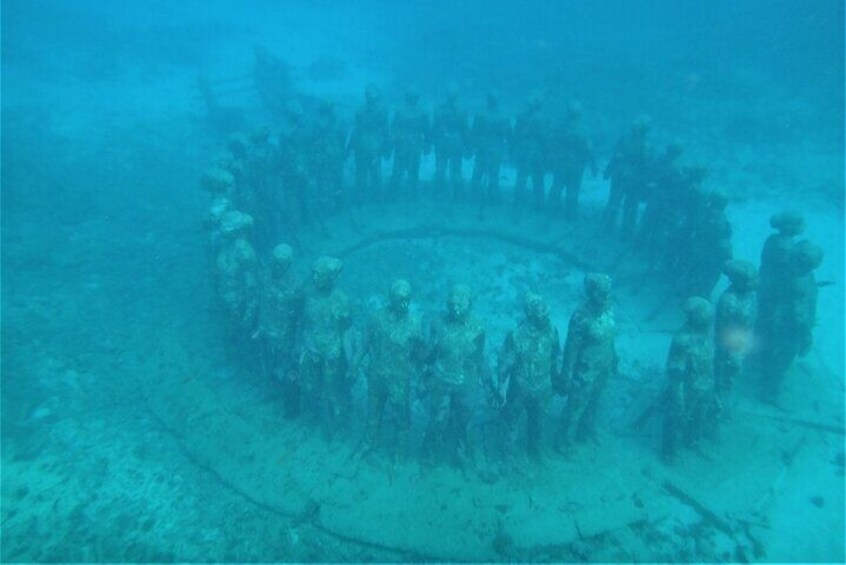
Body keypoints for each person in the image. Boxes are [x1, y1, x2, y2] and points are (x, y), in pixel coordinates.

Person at [357, 280, 425, 461]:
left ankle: (399, 451)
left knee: (401, 417)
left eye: (408, 299)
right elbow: (365, 343)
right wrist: (354, 364)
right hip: (376, 375)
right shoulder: (377, 318)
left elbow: (418, 355)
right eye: (400, 299)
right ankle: (370, 442)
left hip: (400, 380)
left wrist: (421, 378)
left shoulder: (415, 323)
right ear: (391, 299)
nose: (405, 303)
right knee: (373, 412)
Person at [423, 284, 487, 467]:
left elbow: (480, 356)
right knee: (437, 419)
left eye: (460, 304)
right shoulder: (436, 323)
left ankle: (461, 453)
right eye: (452, 304)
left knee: (464, 420)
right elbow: (431, 353)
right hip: (441, 380)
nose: (455, 308)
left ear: (470, 303)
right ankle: (430, 454)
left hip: (467, 382)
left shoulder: (478, 326)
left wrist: (488, 381)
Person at [557, 274, 617, 450]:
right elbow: (571, 350)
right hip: (585, 371)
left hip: (603, 367)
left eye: (607, 292)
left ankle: (585, 432)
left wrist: (614, 358)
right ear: (591, 292)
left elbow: (610, 337)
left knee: (595, 402)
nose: (606, 296)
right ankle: (562, 440)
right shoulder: (580, 317)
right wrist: (566, 377)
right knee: (575, 406)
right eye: (601, 292)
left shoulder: (609, 308)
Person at [497, 292, 560, 460]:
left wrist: (556, 380)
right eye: (543, 314)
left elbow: (555, 357)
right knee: (512, 423)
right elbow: (504, 367)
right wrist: (501, 392)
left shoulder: (552, 331)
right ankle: (507, 456)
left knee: (538, 422)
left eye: (547, 314)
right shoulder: (515, 336)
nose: (546, 317)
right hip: (519, 390)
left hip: (543, 388)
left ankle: (535, 451)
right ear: (531, 315)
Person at [759, 241, 823, 403]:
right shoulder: (801, 283)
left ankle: (764, 379)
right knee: (783, 359)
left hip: (779, 323)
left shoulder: (788, 273)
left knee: (774, 353)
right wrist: (806, 335)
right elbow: (799, 314)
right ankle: (770, 392)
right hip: (790, 329)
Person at [299, 256, 353, 435]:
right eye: (313, 274)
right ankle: (309, 418)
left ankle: (336, 423)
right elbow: (301, 320)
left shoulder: (341, 300)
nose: (314, 278)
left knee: (332, 389)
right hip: (310, 347)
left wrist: (350, 359)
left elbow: (346, 330)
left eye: (319, 275)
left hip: (332, 352)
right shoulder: (307, 293)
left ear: (330, 278)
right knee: (308, 386)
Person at [662, 297, 715, 463]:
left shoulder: (705, 335)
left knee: (698, 416)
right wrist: (678, 396)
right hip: (687, 388)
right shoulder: (683, 341)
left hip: (703, 385)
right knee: (677, 418)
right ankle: (670, 452)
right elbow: (675, 372)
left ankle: (693, 441)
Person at [255, 243, 303, 417]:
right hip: (265, 330)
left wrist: (296, 343)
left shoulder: (295, 287)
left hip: (285, 336)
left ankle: (290, 407)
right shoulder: (265, 276)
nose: (275, 265)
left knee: (288, 370)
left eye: (280, 262)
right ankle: (269, 389)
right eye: (274, 260)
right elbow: (261, 301)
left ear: (289, 264)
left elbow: (299, 319)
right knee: (266, 361)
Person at [714, 260, 757, 416]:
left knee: (730, 377)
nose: (755, 282)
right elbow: (727, 331)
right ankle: (716, 409)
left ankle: (723, 401)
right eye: (750, 280)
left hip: (740, 343)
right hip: (730, 347)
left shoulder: (748, 296)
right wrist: (733, 352)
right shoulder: (729, 301)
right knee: (724, 376)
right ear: (738, 281)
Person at [755, 211, 805, 337]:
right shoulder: (786, 246)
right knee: (771, 314)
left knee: (764, 311)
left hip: (766, 279)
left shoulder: (772, 238)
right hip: (775, 285)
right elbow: (788, 269)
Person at [604, 115, 653, 236]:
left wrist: (608, 170)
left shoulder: (624, 139)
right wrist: (646, 182)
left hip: (620, 174)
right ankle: (626, 232)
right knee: (631, 205)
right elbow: (647, 165)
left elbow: (615, 156)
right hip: (635, 178)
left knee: (614, 200)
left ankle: (607, 226)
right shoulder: (647, 145)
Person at [215, 210, 259, 340]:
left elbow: (252, 285)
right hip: (228, 294)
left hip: (238, 301)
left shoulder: (244, 254)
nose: (222, 229)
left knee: (236, 333)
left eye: (226, 226)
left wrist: (248, 314)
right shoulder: (226, 243)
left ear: (236, 231)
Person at [549, 102, 597, 219]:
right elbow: (589, 149)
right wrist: (593, 165)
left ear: (567, 113)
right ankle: (570, 215)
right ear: (580, 115)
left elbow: (551, 144)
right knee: (573, 190)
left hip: (560, 163)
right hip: (576, 166)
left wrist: (551, 159)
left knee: (556, 187)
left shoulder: (559, 127)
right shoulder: (585, 131)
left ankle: (551, 212)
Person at [347, 85, 390, 202]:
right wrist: (387, 148)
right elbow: (385, 131)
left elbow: (355, 131)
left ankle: (359, 198)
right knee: (375, 172)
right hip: (374, 145)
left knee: (361, 173)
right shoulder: (382, 111)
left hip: (361, 145)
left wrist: (349, 148)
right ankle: (376, 198)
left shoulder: (360, 110)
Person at [470, 89, 510, 214]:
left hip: (482, 148)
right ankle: (493, 199)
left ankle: (474, 197)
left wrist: (473, 147)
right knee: (493, 175)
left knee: (478, 173)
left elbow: (474, 132)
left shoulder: (480, 115)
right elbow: (506, 135)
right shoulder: (503, 116)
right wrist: (505, 151)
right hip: (495, 149)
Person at [390, 90, 430, 201]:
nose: (413, 100)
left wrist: (427, 145)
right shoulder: (399, 111)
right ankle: (394, 193)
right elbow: (394, 127)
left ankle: (413, 193)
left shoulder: (422, 112)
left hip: (416, 143)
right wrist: (394, 140)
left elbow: (427, 130)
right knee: (397, 169)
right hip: (401, 143)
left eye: (414, 98)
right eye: (411, 97)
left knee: (414, 169)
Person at [511, 91, 547, 210]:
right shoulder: (542, 119)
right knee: (538, 178)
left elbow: (515, 135)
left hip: (523, 149)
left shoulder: (521, 117)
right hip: (537, 151)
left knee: (521, 177)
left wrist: (513, 150)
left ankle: (517, 203)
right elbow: (544, 138)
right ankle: (540, 204)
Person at [431, 84, 469, 200]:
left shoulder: (439, 109)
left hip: (442, 141)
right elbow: (465, 129)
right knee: (456, 168)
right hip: (457, 141)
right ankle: (458, 195)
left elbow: (435, 127)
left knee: (441, 168)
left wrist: (433, 141)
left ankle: (438, 193)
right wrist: (467, 145)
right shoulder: (463, 111)